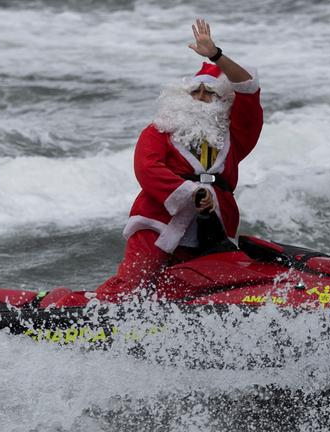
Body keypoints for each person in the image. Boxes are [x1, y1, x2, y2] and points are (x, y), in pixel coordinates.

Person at [95, 18, 263, 302]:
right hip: (160, 219)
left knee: (191, 294)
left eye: (209, 92)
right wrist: (190, 193)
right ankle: (79, 315)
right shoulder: (161, 129)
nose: (200, 97)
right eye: (195, 90)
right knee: (130, 288)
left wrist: (216, 56)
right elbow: (147, 168)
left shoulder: (234, 136)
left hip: (215, 226)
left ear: (223, 101)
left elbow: (248, 86)